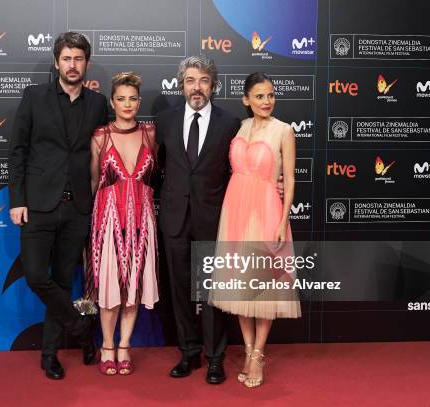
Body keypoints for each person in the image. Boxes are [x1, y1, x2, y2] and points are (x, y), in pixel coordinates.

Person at [8, 31, 108, 380]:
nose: (72, 65)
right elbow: (17, 150)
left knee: (64, 281)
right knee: (36, 276)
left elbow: (105, 153)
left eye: (78, 59)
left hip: (79, 207)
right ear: (56, 62)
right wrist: (17, 200)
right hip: (37, 205)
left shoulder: (98, 103)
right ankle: (81, 330)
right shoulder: (34, 97)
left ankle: (49, 354)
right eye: (66, 58)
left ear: (87, 63)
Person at [210, 72, 302, 388]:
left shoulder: (284, 131)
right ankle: (248, 348)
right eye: (260, 96)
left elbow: (289, 179)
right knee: (238, 282)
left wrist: (283, 220)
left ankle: (259, 353)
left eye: (271, 95)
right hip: (234, 211)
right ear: (246, 99)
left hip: (266, 212)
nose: (267, 101)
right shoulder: (240, 127)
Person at [155, 55, 241, 384]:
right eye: (191, 80)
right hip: (175, 219)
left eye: (204, 81)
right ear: (181, 84)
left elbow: (239, 169)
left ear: (213, 85)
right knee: (179, 290)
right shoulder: (165, 120)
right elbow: (158, 166)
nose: (197, 87)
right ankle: (188, 353)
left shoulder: (229, 123)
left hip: (212, 218)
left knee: (211, 292)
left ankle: (215, 357)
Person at [85, 72, 159, 376]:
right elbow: (93, 183)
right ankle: (107, 346)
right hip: (108, 221)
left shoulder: (151, 134)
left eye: (132, 99)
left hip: (143, 221)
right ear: (112, 102)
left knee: (134, 290)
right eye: (121, 99)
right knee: (109, 290)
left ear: (139, 101)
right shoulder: (100, 136)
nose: (127, 104)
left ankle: (125, 345)